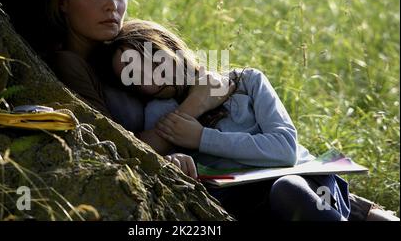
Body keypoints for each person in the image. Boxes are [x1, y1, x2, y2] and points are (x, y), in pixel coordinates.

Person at [103, 19, 399, 221]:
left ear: (170, 44)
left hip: (308, 184)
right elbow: (150, 152)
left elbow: (284, 149)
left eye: (153, 57)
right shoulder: (161, 115)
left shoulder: (248, 81)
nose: (151, 73)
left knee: (288, 189)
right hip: (246, 201)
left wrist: (202, 138)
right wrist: (180, 152)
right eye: (134, 73)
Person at [45, 0, 234, 177]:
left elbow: (200, 81)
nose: (112, 5)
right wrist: (193, 108)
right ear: (63, 0)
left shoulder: (125, 47)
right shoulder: (68, 64)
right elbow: (111, 151)